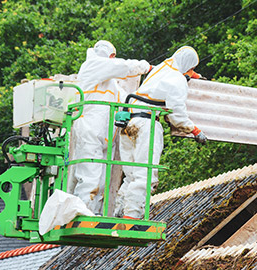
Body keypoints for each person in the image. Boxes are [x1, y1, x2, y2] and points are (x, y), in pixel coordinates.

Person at [114, 46, 207, 219]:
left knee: (131, 175)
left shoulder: (162, 69)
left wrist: (192, 75)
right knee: (145, 175)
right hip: (146, 124)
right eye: (192, 68)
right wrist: (194, 130)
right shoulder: (177, 79)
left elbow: (171, 74)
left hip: (129, 121)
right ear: (187, 66)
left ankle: (118, 215)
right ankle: (131, 219)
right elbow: (176, 113)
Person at [72, 40, 151, 214]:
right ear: (112, 56)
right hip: (90, 130)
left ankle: (94, 214)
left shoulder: (110, 84)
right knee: (89, 177)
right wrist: (146, 67)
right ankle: (81, 214)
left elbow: (127, 99)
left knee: (100, 181)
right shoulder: (93, 64)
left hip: (103, 135)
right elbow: (124, 67)